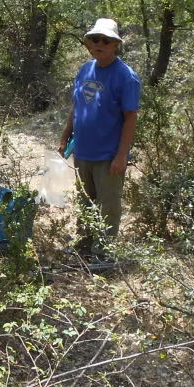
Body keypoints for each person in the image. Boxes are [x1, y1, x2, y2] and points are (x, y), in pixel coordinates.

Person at [58, 18, 140, 256]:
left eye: (106, 40)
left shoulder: (126, 76)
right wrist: (65, 137)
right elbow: (76, 106)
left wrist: (122, 155)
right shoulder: (84, 70)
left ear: (116, 45)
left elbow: (130, 117)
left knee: (108, 206)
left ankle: (103, 253)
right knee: (85, 202)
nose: (99, 44)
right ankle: (84, 246)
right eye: (95, 39)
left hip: (109, 155)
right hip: (83, 152)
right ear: (88, 43)